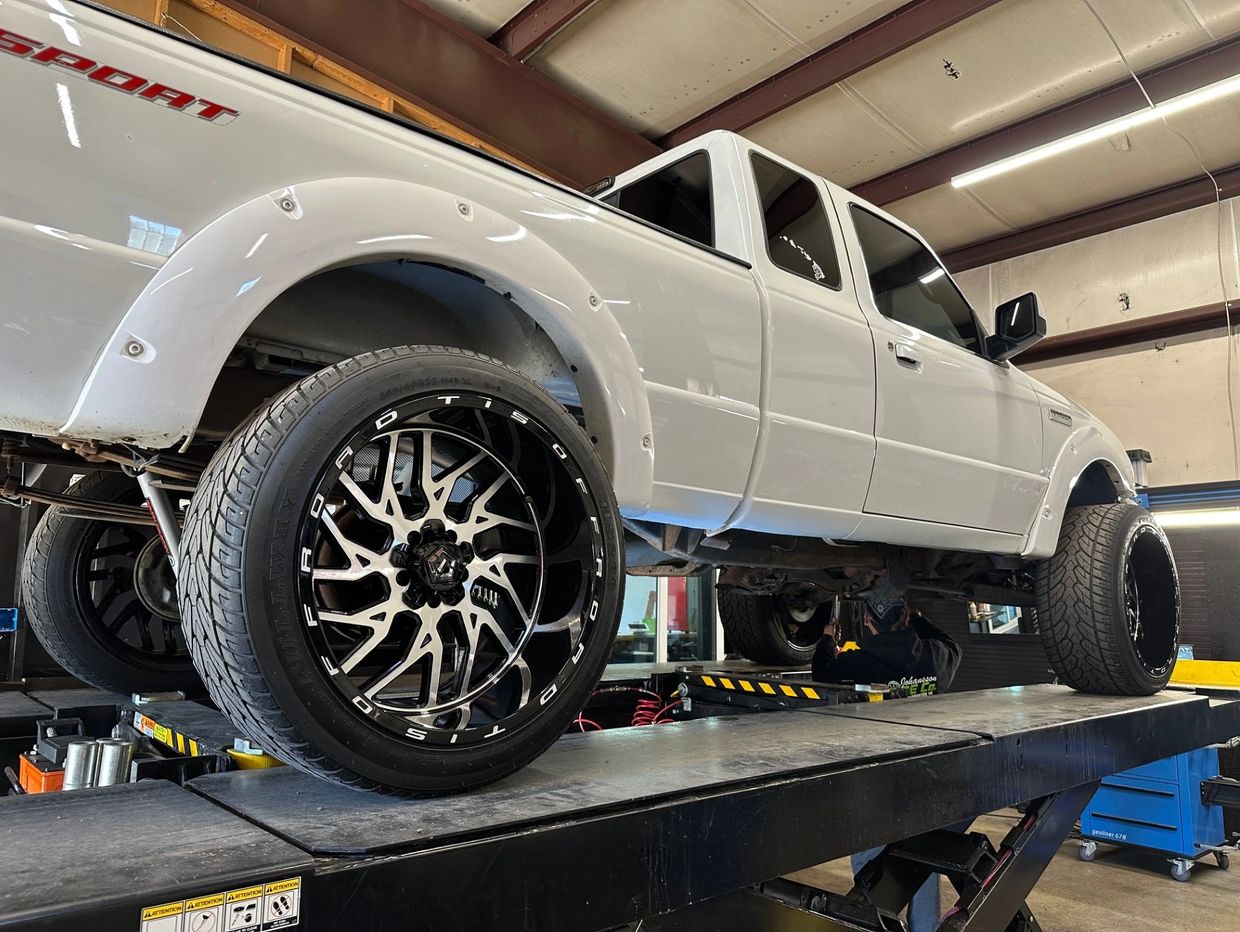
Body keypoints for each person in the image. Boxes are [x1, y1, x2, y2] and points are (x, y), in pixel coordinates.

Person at [814, 595, 962, 932]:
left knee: (872, 862)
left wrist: (826, 637)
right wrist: (919, 619)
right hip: (925, 775)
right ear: (906, 618)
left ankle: (876, 924)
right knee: (922, 862)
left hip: (875, 779)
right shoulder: (934, 657)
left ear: (868, 622)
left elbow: (822, 671)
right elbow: (951, 644)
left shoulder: (858, 662)